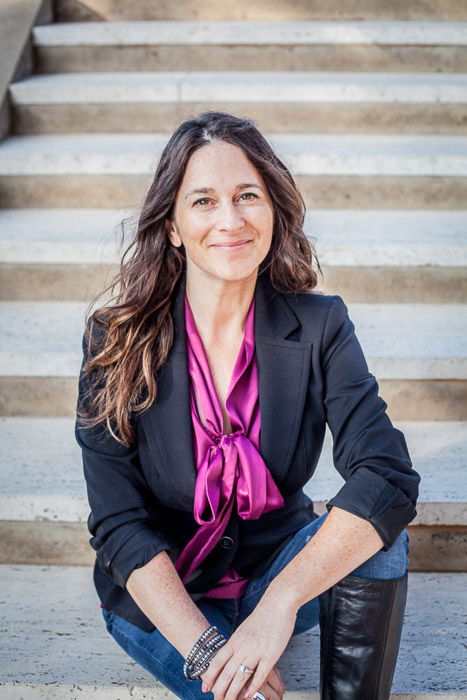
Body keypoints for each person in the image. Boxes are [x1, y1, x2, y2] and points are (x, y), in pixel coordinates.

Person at [75, 111, 420, 700]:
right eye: (204, 201)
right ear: (175, 225)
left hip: (273, 575)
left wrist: (279, 606)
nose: (230, 220)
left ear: (273, 209)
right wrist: (212, 651)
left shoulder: (320, 324)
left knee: (379, 530)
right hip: (166, 600)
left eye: (247, 196)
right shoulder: (115, 338)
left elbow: (386, 474)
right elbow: (117, 523)